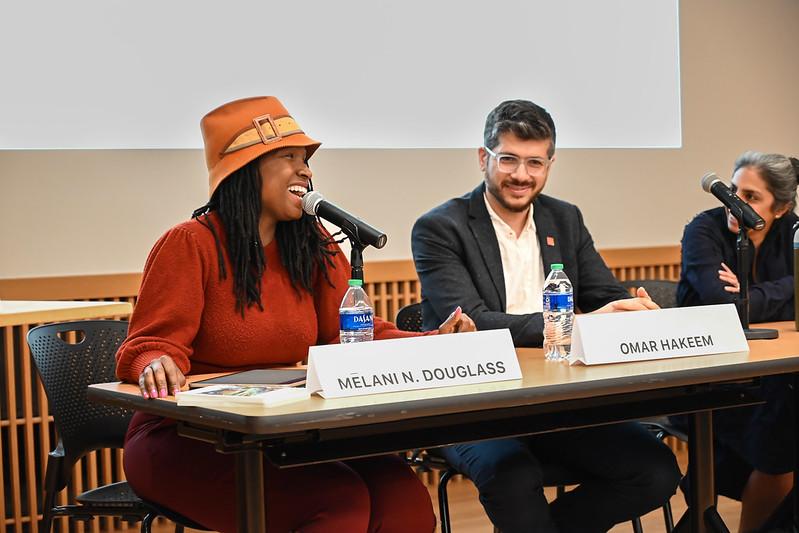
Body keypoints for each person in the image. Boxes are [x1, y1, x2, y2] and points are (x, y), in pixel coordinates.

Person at [115, 96, 475, 533]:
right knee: (338, 505)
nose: (306, 169)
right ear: (246, 170)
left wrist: (436, 342)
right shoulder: (190, 243)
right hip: (185, 438)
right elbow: (149, 345)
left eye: (305, 159)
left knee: (405, 504)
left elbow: (356, 334)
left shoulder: (313, 243)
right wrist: (155, 361)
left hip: (288, 431)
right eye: (289, 157)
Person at [411, 99, 681, 533]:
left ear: (550, 164)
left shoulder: (564, 217)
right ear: (484, 158)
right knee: (514, 476)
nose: (522, 175)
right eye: (509, 160)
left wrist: (630, 310)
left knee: (655, 471)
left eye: (535, 162)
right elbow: (474, 319)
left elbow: (604, 294)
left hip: (561, 401)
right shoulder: (441, 227)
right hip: (475, 406)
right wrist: (581, 323)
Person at [677, 151, 799, 532]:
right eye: (732, 191)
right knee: (784, 429)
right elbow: (722, 305)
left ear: (780, 209)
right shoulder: (704, 229)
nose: (734, 204)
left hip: (771, 375)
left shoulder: (792, 230)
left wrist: (753, 292)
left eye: (750, 197)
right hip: (707, 382)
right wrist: (783, 290)